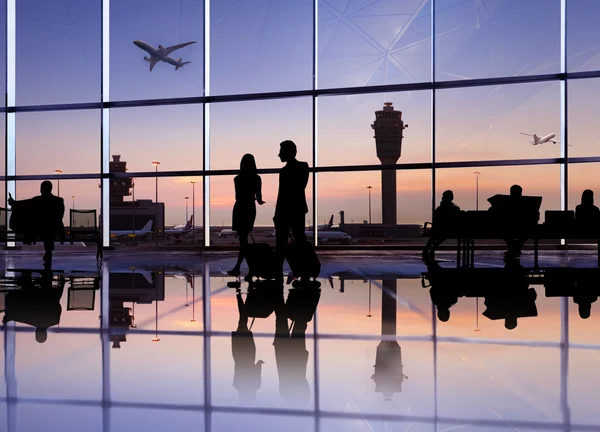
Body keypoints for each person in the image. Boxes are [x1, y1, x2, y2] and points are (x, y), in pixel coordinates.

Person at [8, 181, 65, 266]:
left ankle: (33, 241)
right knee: (48, 228)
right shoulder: (59, 200)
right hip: (55, 227)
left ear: (42, 189)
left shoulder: (37, 200)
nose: (40, 190)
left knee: (44, 226)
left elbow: (24, 203)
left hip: (39, 228)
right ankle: (48, 252)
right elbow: (60, 216)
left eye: (41, 188)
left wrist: (14, 203)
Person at [227, 154, 265, 277]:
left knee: (243, 241)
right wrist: (258, 200)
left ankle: (241, 268)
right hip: (249, 208)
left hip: (239, 208)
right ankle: (248, 269)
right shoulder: (257, 178)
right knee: (244, 241)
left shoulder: (237, 179)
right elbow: (259, 198)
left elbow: (237, 196)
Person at [274, 140, 309, 269]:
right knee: (299, 240)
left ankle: (278, 270)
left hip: (285, 211)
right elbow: (300, 187)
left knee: (281, 243)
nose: (279, 155)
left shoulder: (284, 171)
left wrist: (277, 213)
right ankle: (303, 270)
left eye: (281, 151)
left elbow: (282, 194)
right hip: (297, 209)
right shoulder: (303, 167)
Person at [422, 190, 461, 261]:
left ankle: (428, 249)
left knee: (435, 235)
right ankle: (431, 249)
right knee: (441, 235)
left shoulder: (439, 209)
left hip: (440, 229)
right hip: (451, 230)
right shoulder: (456, 209)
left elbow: (436, 220)